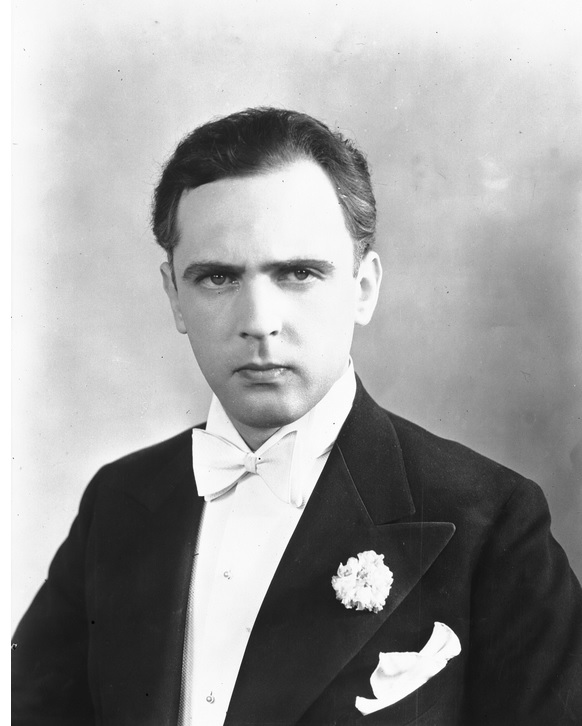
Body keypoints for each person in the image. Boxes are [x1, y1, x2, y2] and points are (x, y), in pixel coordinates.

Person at [12, 107, 582, 726]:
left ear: (363, 287)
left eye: (299, 273)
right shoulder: (118, 502)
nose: (259, 321)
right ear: (174, 295)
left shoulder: (492, 524)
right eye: (217, 278)